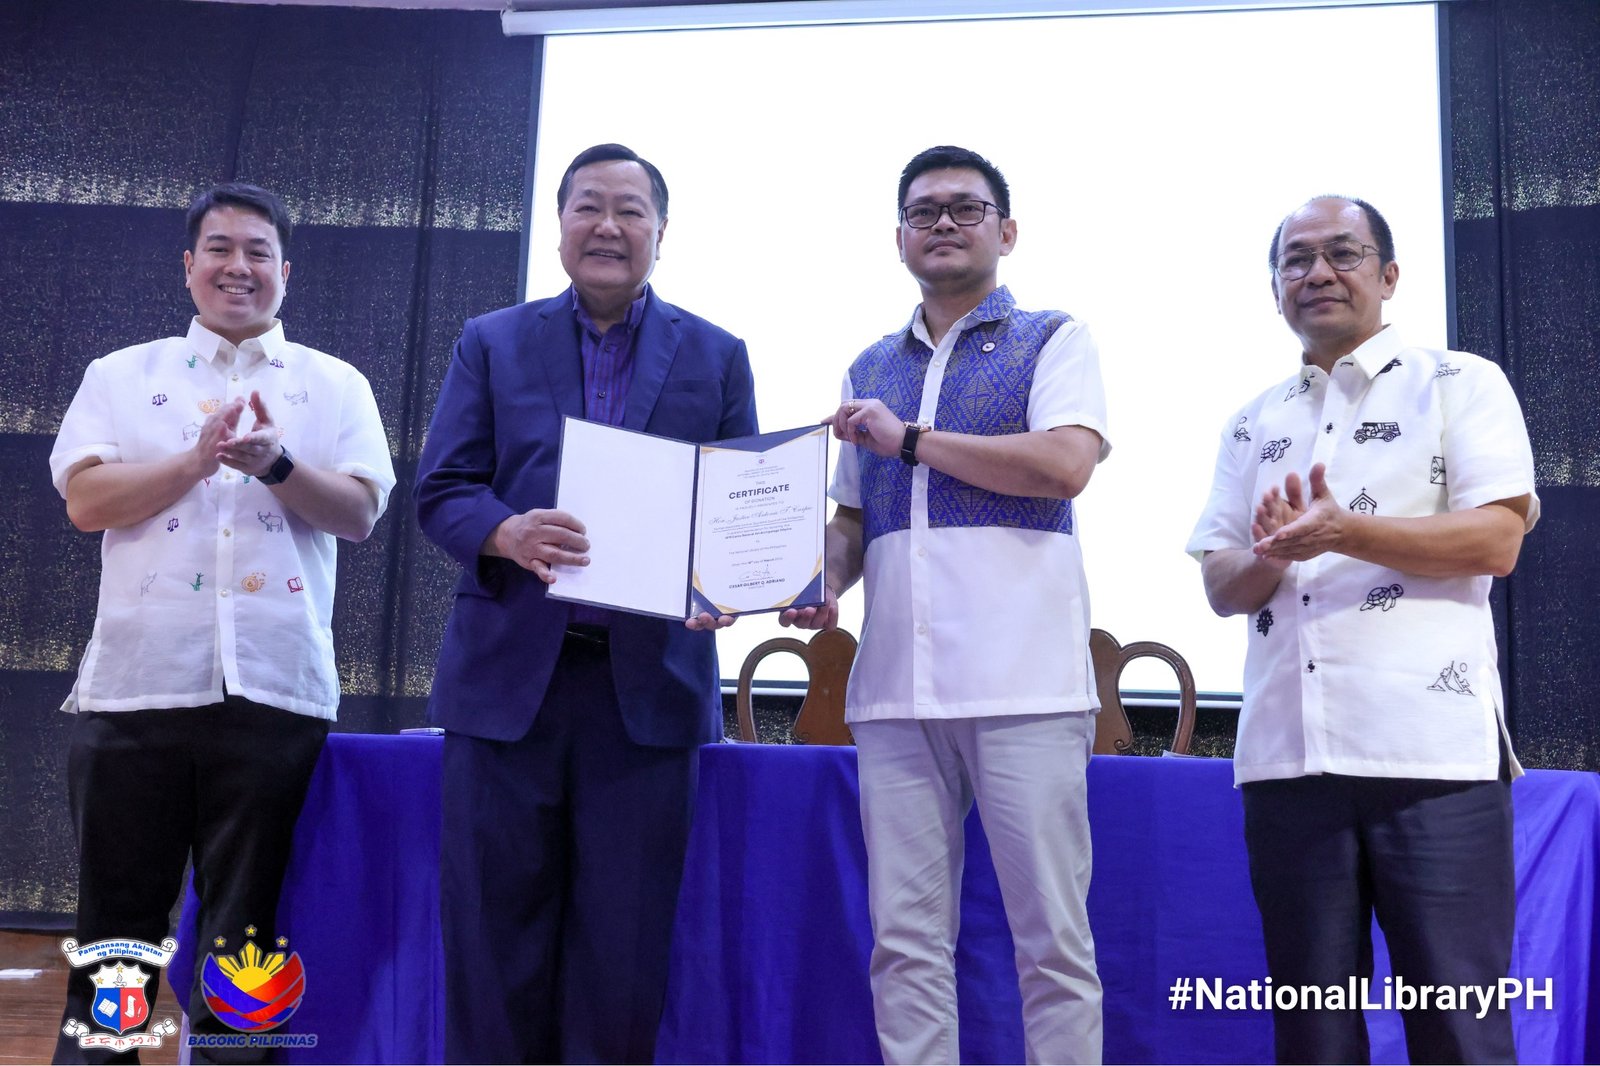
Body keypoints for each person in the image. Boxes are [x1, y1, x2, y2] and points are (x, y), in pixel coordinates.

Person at [415, 142, 757, 1064]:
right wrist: (505, 533)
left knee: (626, 950)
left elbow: (736, 512)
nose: (609, 226)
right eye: (589, 207)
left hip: (646, 694)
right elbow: (442, 489)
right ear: (559, 225)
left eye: (631, 210)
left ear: (660, 232)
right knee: (491, 943)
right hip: (506, 689)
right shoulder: (490, 340)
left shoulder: (718, 355)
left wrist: (729, 584)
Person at [1187, 195, 1538, 1064]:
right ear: (1276, 293)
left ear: (1387, 275)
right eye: (1295, 261)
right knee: (1313, 1031)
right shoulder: (1252, 419)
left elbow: (1496, 540)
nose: (1317, 273)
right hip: (1288, 762)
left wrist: (1346, 530)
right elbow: (1223, 584)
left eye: (1341, 253)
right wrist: (1276, 549)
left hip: (1431, 757)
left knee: (1458, 1024)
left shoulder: (1461, 382)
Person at [49, 181, 394, 1063]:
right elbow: (87, 501)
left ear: (285, 271)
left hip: (275, 695)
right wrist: (197, 460)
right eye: (219, 249)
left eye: (257, 252)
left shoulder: (334, 384)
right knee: (118, 935)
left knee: (246, 940)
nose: (237, 267)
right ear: (189, 267)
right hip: (135, 690)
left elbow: (358, 514)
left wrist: (277, 463)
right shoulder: (122, 375)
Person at [783, 145, 1110, 1065]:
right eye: (924, 212)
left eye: (966, 210)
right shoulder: (869, 363)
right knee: (905, 943)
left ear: (1006, 232)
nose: (944, 224)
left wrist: (914, 440)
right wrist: (823, 581)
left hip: (1027, 685)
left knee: (1052, 943)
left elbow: (1065, 464)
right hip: (894, 693)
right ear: (898, 239)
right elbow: (852, 513)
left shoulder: (1055, 338)